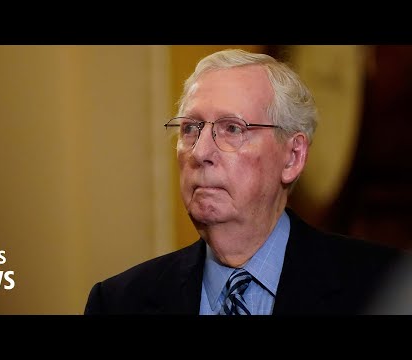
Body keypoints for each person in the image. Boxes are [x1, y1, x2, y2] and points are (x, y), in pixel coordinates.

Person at [84, 48, 411, 315]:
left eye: (232, 129)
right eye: (190, 129)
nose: (200, 152)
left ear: (292, 156)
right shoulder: (118, 302)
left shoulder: (387, 289)